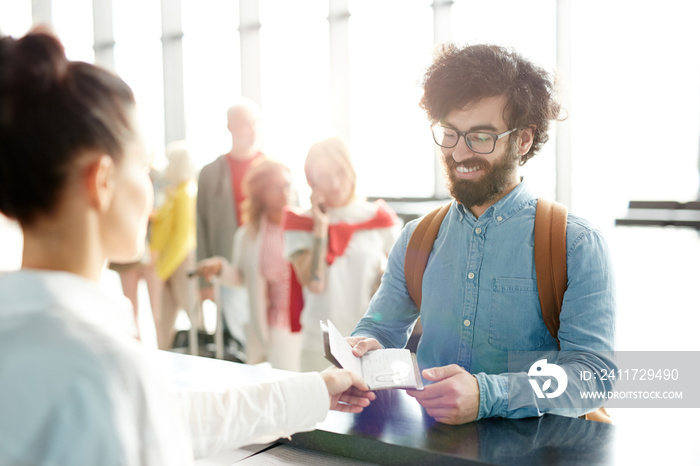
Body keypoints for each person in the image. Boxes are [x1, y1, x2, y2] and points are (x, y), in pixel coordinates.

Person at [0, 31, 374, 465]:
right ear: (101, 181)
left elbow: (169, 417)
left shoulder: (41, 339)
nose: (151, 189)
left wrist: (315, 390)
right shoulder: (100, 367)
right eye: (144, 167)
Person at [349, 44, 616, 423]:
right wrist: (366, 347)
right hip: (427, 450)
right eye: (450, 133)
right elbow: (380, 326)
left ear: (523, 140)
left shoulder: (576, 245)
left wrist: (489, 394)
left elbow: (593, 376)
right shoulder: (416, 238)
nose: (459, 153)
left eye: (481, 137)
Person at [283, 137, 401, 372]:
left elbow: (402, 283)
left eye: (340, 172)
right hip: (320, 347)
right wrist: (320, 227)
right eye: (324, 177)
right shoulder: (299, 223)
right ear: (311, 181)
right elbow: (314, 284)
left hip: (367, 343)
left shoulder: (379, 219)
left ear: (351, 170)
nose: (335, 183)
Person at [197, 158, 302, 371]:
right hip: (272, 325)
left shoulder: (304, 226)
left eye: (287, 185)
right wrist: (221, 269)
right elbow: (242, 278)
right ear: (261, 193)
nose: (285, 193)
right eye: (276, 187)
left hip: (304, 322)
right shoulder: (248, 236)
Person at [196, 100, 264, 356]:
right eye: (245, 123)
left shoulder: (271, 170)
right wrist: (205, 279)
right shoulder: (210, 173)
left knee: (266, 337)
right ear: (230, 127)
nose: (252, 130)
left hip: (265, 269)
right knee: (237, 339)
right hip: (227, 266)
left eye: (255, 123)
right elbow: (200, 225)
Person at [149, 140, 198, 349]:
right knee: (163, 322)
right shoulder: (174, 192)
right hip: (167, 264)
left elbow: (181, 239)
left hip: (179, 263)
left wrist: (161, 270)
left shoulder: (186, 193)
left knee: (195, 318)